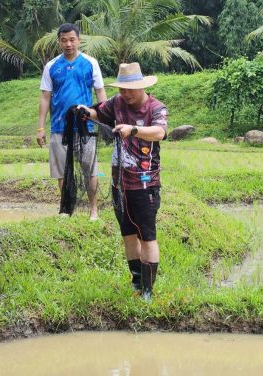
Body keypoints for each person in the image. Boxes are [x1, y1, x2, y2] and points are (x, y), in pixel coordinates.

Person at [79, 62, 167, 300]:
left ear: (141, 86)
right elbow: (100, 112)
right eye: (121, 89)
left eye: (129, 89)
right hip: (119, 184)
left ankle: (148, 291)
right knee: (128, 236)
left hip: (145, 184)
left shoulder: (155, 108)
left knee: (147, 237)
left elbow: (159, 133)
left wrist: (133, 129)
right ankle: (137, 284)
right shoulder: (117, 103)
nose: (125, 94)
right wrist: (85, 111)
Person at [36, 23, 107, 220]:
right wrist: (41, 127)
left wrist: (106, 118)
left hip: (86, 126)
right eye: (64, 40)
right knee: (62, 172)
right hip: (59, 126)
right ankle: (67, 209)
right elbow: (45, 97)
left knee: (89, 169)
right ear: (59, 41)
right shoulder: (51, 66)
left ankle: (94, 210)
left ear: (79, 40)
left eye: (72, 39)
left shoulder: (90, 63)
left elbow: (100, 91)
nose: (68, 44)